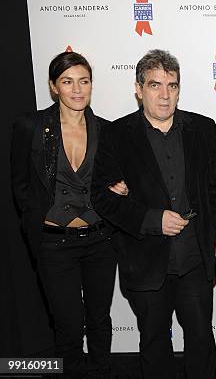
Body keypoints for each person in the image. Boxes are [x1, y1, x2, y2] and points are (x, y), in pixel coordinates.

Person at [90, 49, 216, 378]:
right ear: (139, 89)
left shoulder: (204, 128)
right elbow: (102, 198)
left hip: (195, 257)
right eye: (155, 85)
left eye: (172, 85)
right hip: (145, 258)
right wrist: (154, 220)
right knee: (154, 342)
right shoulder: (116, 134)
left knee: (200, 339)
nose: (165, 95)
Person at [10, 51, 121, 378]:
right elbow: (19, 184)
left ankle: (101, 371)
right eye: (67, 81)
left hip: (101, 241)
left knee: (100, 319)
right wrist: (38, 219)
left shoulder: (106, 130)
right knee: (69, 325)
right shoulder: (30, 126)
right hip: (54, 245)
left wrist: (122, 189)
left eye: (83, 81)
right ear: (53, 86)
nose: (77, 89)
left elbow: (113, 181)